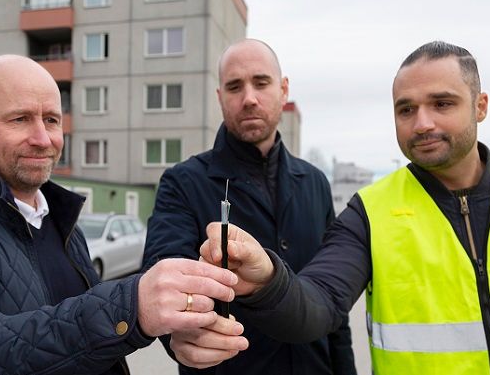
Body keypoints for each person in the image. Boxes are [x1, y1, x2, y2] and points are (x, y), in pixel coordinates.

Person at [200, 41, 490, 374]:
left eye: (442, 103)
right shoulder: (370, 211)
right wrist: (268, 280)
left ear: (480, 106)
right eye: (406, 109)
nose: (422, 123)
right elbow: (319, 303)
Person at [0, 55, 241, 375]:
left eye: (51, 120)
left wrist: (172, 330)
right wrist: (130, 307)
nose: (42, 138)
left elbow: (85, 346)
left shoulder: (63, 224)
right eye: (20, 119)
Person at [142, 39, 356, 375]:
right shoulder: (183, 183)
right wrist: (178, 338)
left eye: (261, 82)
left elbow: (335, 307)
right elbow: (165, 276)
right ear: (219, 97)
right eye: (234, 86)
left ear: (283, 90)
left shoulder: (315, 182)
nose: (249, 98)